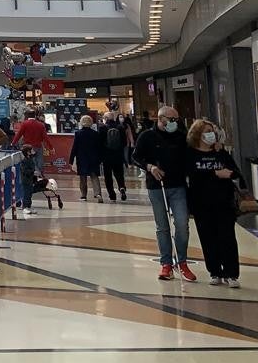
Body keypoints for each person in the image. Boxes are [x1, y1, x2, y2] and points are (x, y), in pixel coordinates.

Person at [133, 105, 196, 282]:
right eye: (172, 119)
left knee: (182, 224)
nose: (175, 123)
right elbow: (136, 156)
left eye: (176, 119)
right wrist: (150, 167)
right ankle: (166, 263)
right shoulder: (147, 136)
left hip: (178, 186)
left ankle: (182, 261)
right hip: (156, 186)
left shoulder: (181, 137)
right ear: (161, 119)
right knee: (163, 226)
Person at [186, 119, 245, 288]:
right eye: (206, 131)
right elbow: (192, 175)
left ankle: (231, 273)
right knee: (208, 238)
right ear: (198, 134)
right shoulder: (190, 154)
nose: (210, 134)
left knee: (227, 237)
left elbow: (234, 172)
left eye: (211, 131)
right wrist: (215, 173)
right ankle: (215, 271)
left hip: (224, 201)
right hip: (201, 203)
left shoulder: (221, 152)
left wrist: (228, 174)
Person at [70, 115, 105, 203]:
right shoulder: (96, 134)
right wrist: (100, 159)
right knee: (94, 177)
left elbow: (75, 147)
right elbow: (100, 147)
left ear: (81, 123)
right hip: (94, 158)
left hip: (82, 159)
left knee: (83, 178)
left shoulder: (78, 134)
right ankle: (98, 194)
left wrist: (71, 159)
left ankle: (83, 195)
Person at [102, 112, 129, 201]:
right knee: (119, 174)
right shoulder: (120, 127)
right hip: (118, 155)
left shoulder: (102, 128)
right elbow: (125, 142)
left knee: (108, 176)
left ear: (105, 118)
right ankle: (121, 187)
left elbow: (99, 143)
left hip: (106, 156)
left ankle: (112, 194)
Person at [19, 144, 39, 215]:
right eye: (31, 150)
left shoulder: (30, 159)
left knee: (30, 193)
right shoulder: (24, 161)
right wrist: (33, 172)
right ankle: (25, 207)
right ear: (28, 152)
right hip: (25, 180)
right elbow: (24, 171)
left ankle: (29, 206)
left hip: (30, 180)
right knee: (26, 193)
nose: (33, 151)